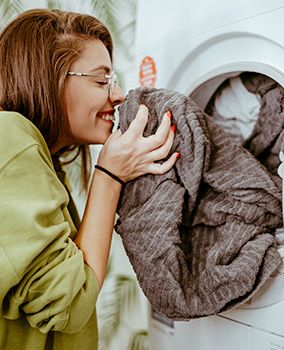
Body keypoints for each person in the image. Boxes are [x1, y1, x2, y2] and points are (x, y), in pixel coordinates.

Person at [0, 8, 178, 350]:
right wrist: (109, 175)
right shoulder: (8, 135)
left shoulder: (41, 160)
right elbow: (68, 303)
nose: (119, 95)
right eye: (101, 80)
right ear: (47, 78)